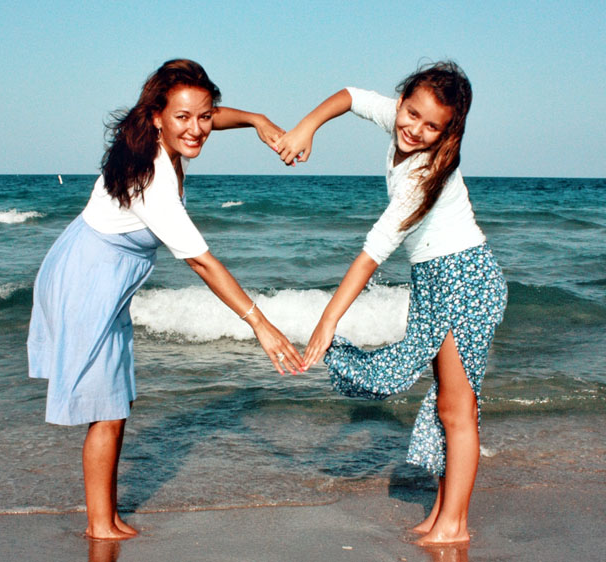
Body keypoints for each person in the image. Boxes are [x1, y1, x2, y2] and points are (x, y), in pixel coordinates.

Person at [28, 59, 304, 540]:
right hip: (87, 278)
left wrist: (258, 120)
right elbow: (203, 263)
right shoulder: (152, 176)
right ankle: (99, 527)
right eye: (184, 118)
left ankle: (107, 517)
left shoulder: (164, 132)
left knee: (115, 404)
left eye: (205, 116)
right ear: (157, 115)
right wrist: (259, 322)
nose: (198, 128)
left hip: (102, 274)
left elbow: (209, 117)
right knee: (106, 410)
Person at [274, 61, 507, 545]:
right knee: (447, 405)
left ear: (448, 132)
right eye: (412, 114)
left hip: (465, 278)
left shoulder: (425, 172)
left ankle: (455, 524)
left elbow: (373, 252)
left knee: (458, 408)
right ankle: (443, 511)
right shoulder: (397, 118)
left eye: (432, 126)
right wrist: (304, 129)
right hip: (435, 279)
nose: (416, 130)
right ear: (401, 101)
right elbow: (350, 96)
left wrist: (327, 321)